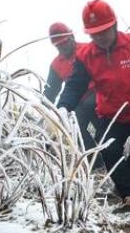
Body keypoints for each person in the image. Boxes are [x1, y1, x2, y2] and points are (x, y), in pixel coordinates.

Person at [58, 0, 130, 212]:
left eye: (104, 31)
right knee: (109, 150)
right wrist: (63, 106)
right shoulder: (85, 57)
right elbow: (74, 87)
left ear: (114, 25)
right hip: (110, 114)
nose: (99, 37)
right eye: (94, 33)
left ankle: (125, 180)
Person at [44, 22, 103, 166]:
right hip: (78, 101)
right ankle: (96, 161)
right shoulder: (56, 65)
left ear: (72, 37)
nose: (63, 47)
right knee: (72, 125)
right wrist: (45, 111)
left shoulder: (88, 49)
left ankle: (112, 155)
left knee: (104, 129)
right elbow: (50, 91)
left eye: (65, 42)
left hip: (100, 96)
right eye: (58, 45)